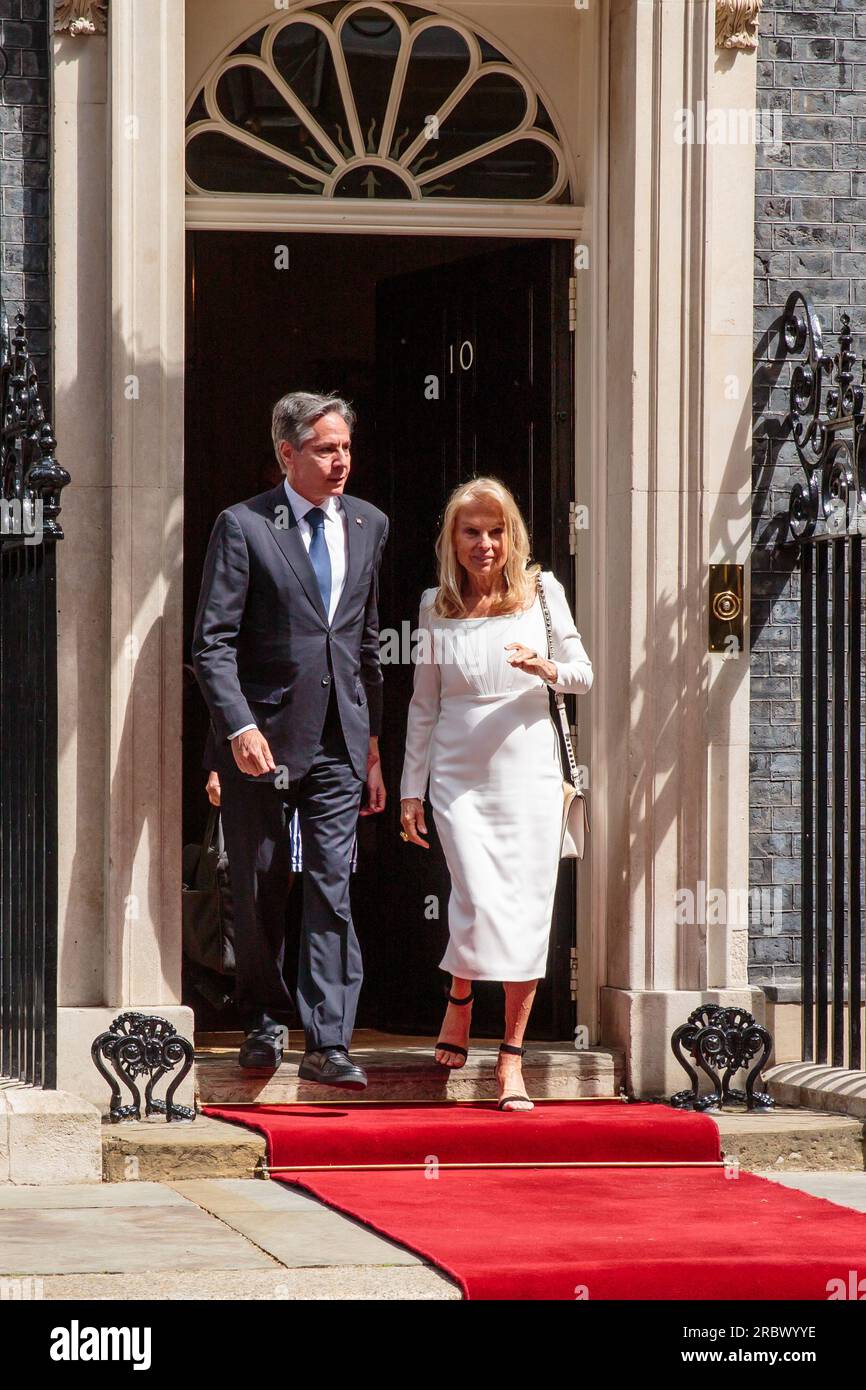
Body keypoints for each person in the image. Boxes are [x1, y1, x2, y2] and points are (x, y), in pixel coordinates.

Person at [192, 391, 388, 1089]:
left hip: (339, 739)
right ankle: (263, 1020)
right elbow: (212, 643)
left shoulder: (369, 524)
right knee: (261, 883)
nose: (341, 462)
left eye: (345, 448)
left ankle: (330, 1039)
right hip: (264, 740)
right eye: (326, 449)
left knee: (332, 885)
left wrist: (371, 747)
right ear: (287, 454)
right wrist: (236, 728)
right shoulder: (244, 526)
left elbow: (363, 641)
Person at [399, 477, 593, 1111]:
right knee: (477, 896)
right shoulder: (435, 605)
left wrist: (546, 670)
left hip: (529, 775)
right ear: (451, 540)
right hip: (458, 776)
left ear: (512, 537)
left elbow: (583, 673)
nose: (484, 543)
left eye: (495, 531)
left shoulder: (541, 591)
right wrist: (411, 790)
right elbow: (423, 705)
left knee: (528, 911)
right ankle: (460, 995)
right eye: (470, 531)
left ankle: (511, 1055)